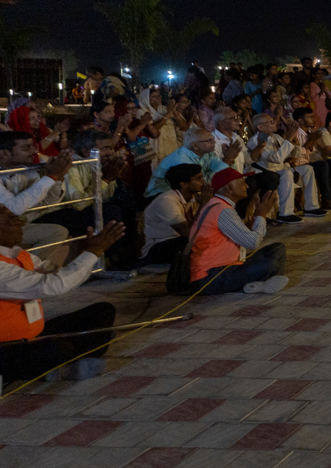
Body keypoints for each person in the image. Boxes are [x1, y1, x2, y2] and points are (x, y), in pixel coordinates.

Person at [0, 207, 125, 381]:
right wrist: (93, 252)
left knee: (102, 311)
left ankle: (66, 362)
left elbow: (60, 275)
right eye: (11, 221)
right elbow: (55, 285)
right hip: (6, 346)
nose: (21, 224)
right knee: (56, 348)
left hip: (31, 334)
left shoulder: (16, 254)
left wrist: (85, 252)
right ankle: (63, 365)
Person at [188, 168, 287, 294]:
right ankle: (260, 283)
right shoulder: (222, 210)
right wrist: (261, 215)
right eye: (242, 183)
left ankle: (257, 284)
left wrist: (256, 218)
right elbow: (252, 243)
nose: (246, 186)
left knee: (277, 249)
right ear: (229, 188)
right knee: (270, 264)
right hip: (210, 277)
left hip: (230, 267)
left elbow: (245, 238)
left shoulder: (220, 205)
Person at [0, 132, 73, 258]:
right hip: (4, 227)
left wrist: (58, 179)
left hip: (16, 225)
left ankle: (34, 271)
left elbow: (47, 203)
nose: (34, 151)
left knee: (59, 230)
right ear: (5, 153)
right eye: (26, 148)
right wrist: (50, 177)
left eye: (32, 146)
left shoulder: (27, 171)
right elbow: (13, 208)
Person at [142, 163, 209, 263]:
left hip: (179, 242)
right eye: (198, 179)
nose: (203, 182)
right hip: (159, 247)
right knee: (196, 241)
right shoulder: (167, 201)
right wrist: (203, 206)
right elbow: (188, 233)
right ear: (183, 184)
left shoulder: (194, 198)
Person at [144, 127, 229, 198]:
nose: (214, 142)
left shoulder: (207, 152)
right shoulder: (182, 160)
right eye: (209, 140)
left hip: (183, 195)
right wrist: (228, 159)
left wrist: (227, 163)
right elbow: (202, 184)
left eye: (212, 139)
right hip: (162, 197)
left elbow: (224, 172)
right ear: (195, 145)